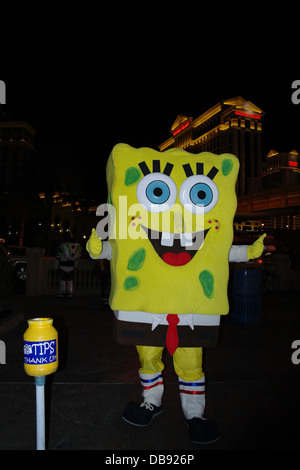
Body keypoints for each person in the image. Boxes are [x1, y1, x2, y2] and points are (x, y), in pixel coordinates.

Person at [86, 144, 266, 444]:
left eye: (201, 194)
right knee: (148, 358)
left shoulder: (203, 230)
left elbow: (218, 252)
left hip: (191, 311)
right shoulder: (136, 225)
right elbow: (122, 247)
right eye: (157, 192)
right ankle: (151, 401)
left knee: (191, 363)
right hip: (146, 309)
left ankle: (195, 414)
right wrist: (100, 249)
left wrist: (249, 251)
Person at [55, 232, 81, 297]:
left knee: (62, 280)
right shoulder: (75, 246)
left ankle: (62, 293)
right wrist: (75, 265)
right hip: (71, 266)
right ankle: (70, 293)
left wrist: (56, 266)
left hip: (63, 266)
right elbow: (77, 258)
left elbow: (58, 257)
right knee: (70, 280)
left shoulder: (61, 246)